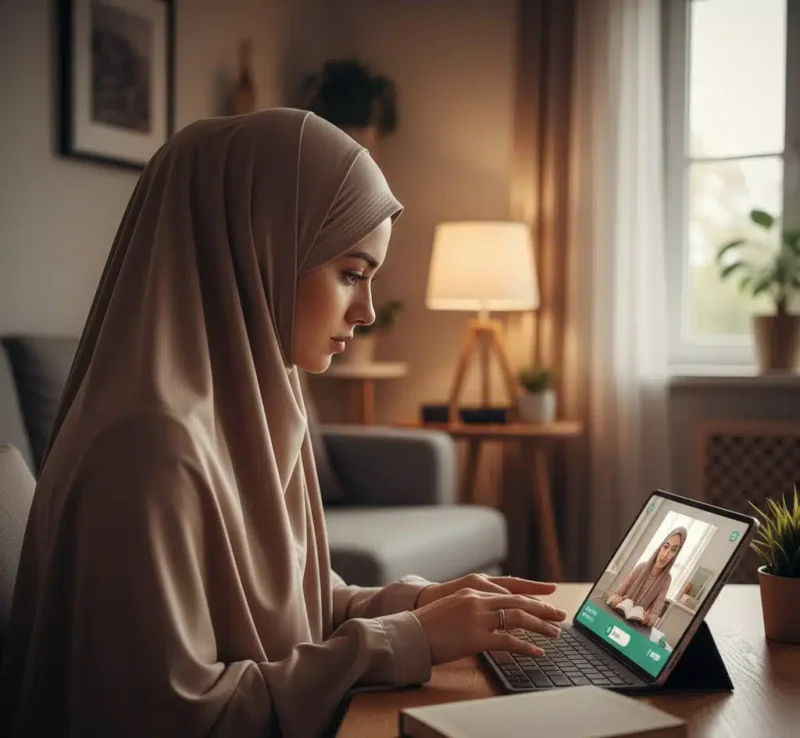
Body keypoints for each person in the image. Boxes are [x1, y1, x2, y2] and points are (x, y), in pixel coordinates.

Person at [0, 109, 567, 738]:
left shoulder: (259, 406)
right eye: (351, 274)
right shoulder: (147, 452)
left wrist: (419, 606)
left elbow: (297, 610)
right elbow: (177, 717)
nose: (367, 311)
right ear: (259, 250)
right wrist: (407, 639)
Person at [606, 527, 688, 627]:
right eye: (666, 547)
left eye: (673, 550)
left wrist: (647, 618)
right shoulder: (641, 567)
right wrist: (616, 599)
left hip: (633, 626)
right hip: (615, 617)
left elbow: (654, 616)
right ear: (660, 547)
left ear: (676, 555)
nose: (665, 555)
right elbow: (614, 595)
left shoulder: (666, 580)